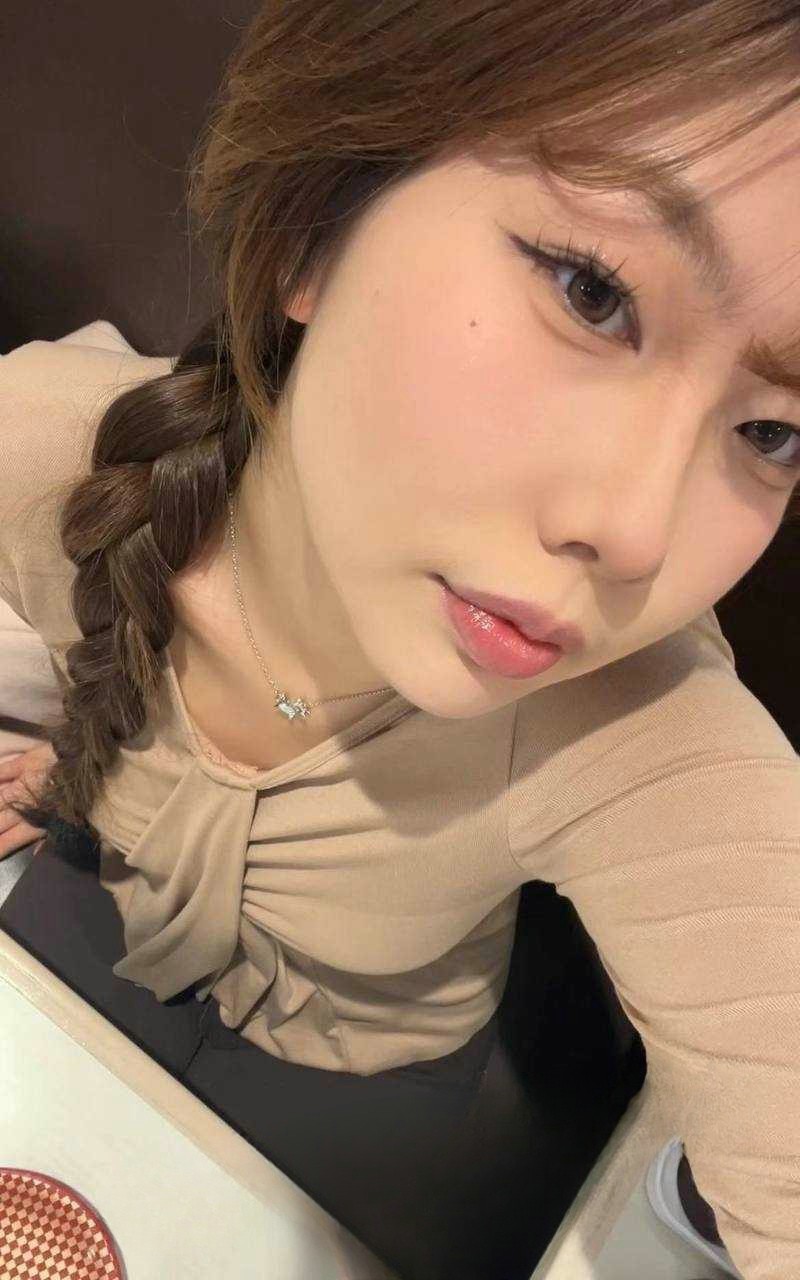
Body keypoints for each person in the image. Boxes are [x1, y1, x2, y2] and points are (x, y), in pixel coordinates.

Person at [1, 3, 799, 1277]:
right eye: (591, 292)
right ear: (313, 225)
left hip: (376, 1099)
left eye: (771, 432)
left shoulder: (647, 733)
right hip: (87, 915)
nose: (635, 534)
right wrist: (65, 750)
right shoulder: (45, 452)